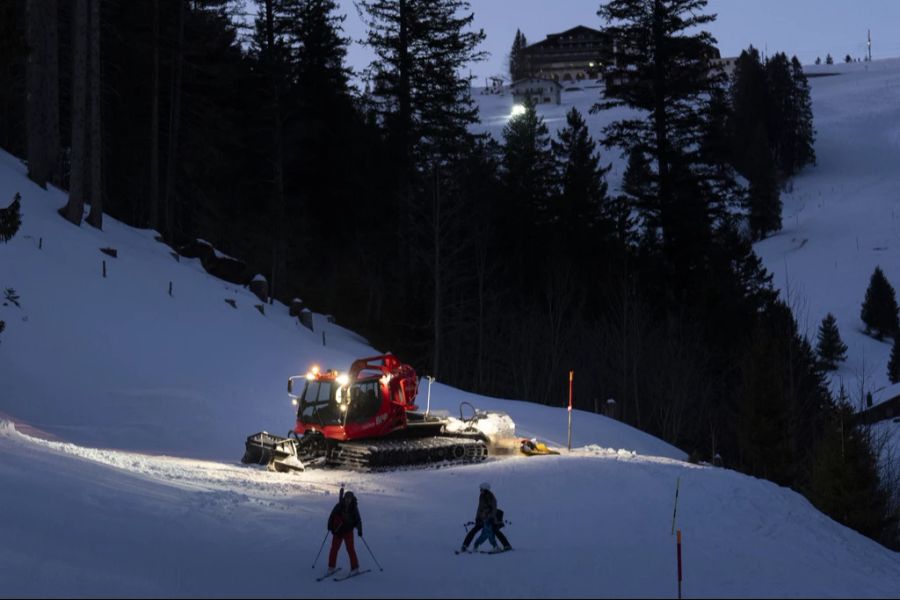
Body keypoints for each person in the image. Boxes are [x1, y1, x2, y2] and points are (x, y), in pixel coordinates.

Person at [459, 482, 512, 553]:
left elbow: (494, 508)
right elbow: (480, 508)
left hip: (489, 519)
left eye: (481, 489)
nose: (480, 490)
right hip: (482, 518)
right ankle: (465, 545)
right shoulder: (482, 496)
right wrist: (477, 517)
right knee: (474, 530)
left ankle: (506, 545)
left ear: (486, 489)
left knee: (495, 531)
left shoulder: (491, 497)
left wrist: (491, 517)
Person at [324, 486, 363, 576]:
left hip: (348, 531)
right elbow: (332, 516)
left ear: (352, 499)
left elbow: (358, 520)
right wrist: (329, 526)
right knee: (334, 549)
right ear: (345, 498)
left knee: (350, 549)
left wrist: (360, 530)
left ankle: (355, 568)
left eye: (349, 499)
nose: (348, 500)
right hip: (338, 531)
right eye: (346, 498)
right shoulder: (339, 506)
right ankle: (331, 567)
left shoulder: (354, 508)